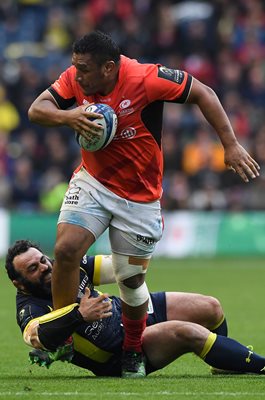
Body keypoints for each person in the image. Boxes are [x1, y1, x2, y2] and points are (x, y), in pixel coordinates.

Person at [28, 31, 260, 377]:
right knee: (65, 250)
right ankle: (65, 334)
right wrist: (69, 116)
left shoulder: (147, 78)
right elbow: (36, 109)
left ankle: (133, 350)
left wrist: (230, 145)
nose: (77, 76)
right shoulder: (74, 78)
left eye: (85, 70)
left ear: (109, 67)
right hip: (92, 182)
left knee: (131, 281)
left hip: (139, 198)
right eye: (75, 68)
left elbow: (204, 93)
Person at [5, 239, 265, 377]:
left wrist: (140, 241)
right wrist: (79, 315)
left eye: (42, 260)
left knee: (210, 307)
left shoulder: (67, 267)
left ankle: (225, 363)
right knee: (187, 333)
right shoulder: (29, 309)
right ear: (20, 283)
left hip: (131, 311)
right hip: (121, 352)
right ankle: (260, 365)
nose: (45, 267)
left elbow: (119, 267)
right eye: (33, 269)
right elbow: (40, 338)